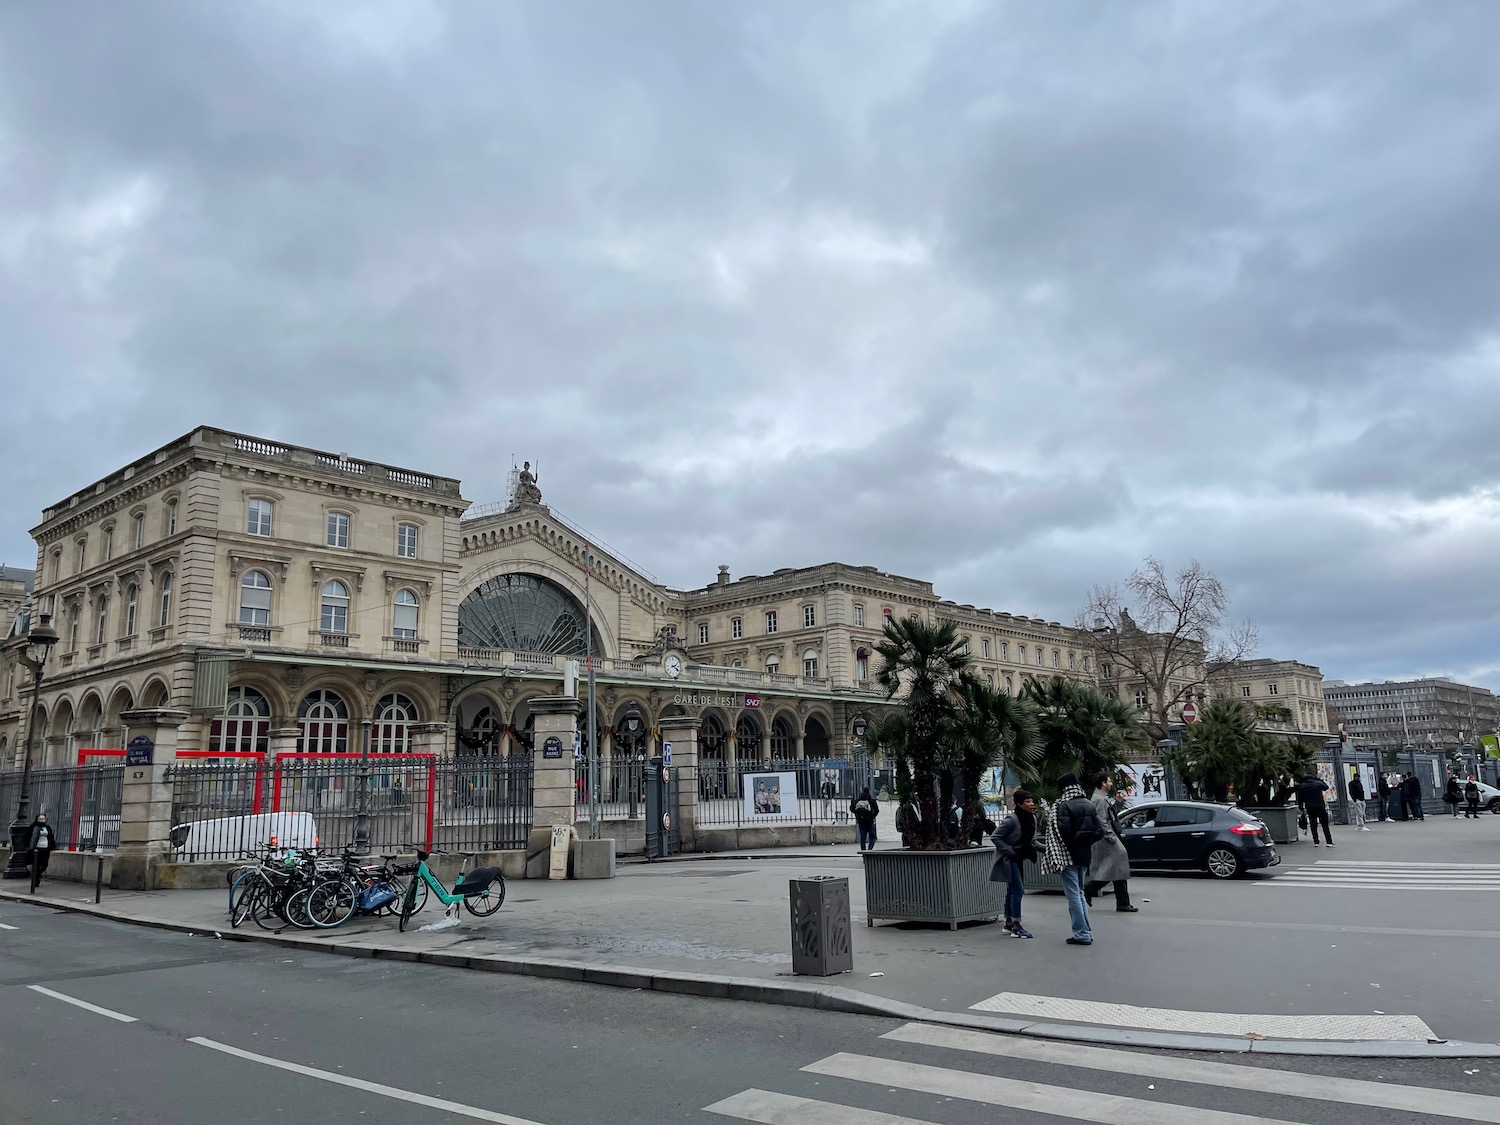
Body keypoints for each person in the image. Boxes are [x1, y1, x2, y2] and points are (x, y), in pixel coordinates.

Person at [1050, 773, 1105, 946]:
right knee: (1080, 893)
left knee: (1073, 895)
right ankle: (1086, 931)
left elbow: (1063, 832)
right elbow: (1099, 831)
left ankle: (1081, 934)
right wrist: (1084, 841)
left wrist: (1074, 841)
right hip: (1085, 855)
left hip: (1068, 855)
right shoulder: (1088, 804)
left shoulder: (1063, 805)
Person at [989, 789, 1040, 938]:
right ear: (1019, 804)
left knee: (1013, 890)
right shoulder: (1012, 819)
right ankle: (1017, 926)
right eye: (1027, 801)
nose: (1031, 804)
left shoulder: (1032, 819)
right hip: (1010, 858)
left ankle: (1009, 922)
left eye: (1032, 801)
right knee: (1017, 889)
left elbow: (1032, 841)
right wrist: (1009, 851)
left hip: (1020, 857)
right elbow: (995, 836)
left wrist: (1047, 850)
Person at [1085, 775, 1136, 912]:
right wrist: (1111, 837)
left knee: (1117, 869)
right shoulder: (1099, 799)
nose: (1111, 783)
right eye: (1109, 781)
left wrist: (1118, 804)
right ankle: (1088, 890)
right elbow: (1102, 821)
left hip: (1106, 837)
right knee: (1114, 868)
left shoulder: (1100, 798)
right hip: (1106, 839)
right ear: (1103, 783)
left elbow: (1109, 817)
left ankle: (1123, 902)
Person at [1295, 772, 1334, 847]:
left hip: (1310, 807)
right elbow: (1326, 787)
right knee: (1324, 824)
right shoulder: (1318, 783)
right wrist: (1319, 780)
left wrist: (1301, 807)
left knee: (1313, 824)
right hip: (1320, 806)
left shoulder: (1303, 786)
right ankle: (1329, 841)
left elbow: (1300, 798)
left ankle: (1316, 841)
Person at [28, 812, 55, 885]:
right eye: (40, 819)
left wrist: (52, 846)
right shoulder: (34, 827)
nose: (42, 820)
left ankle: (37, 874)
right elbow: (29, 837)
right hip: (37, 848)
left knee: (45, 864)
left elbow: (51, 837)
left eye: (43, 819)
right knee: (37, 864)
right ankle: (36, 879)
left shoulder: (47, 827)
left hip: (45, 848)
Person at [850, 787, 880, 851]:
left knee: (863, 835)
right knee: (872, 836)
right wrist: (872, 816)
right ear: (869, 791)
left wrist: (857, 815)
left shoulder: (858, 800)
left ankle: (863, 848)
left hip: (861, 821)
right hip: (869, 820)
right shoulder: (871, 801)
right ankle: (870, 848)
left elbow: (851, 808)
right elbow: (877, 810)